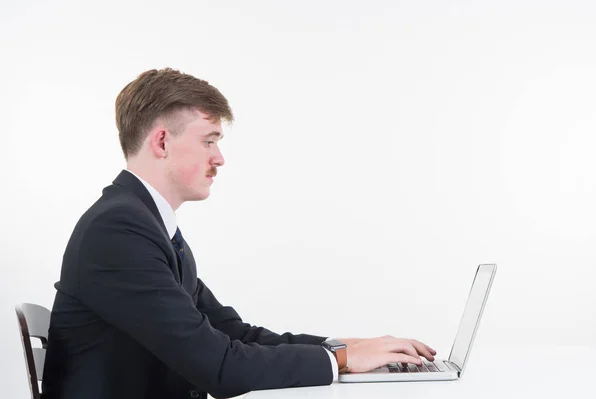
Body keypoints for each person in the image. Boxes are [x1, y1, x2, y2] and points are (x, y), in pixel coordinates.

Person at [42, 68, 436, 399]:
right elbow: (222, 368)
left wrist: (345, 348)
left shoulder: (147, 225)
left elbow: (233, 335)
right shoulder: (119, 231)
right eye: (209, 140)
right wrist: (342, 361)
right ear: (162, 141)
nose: (220, 158)